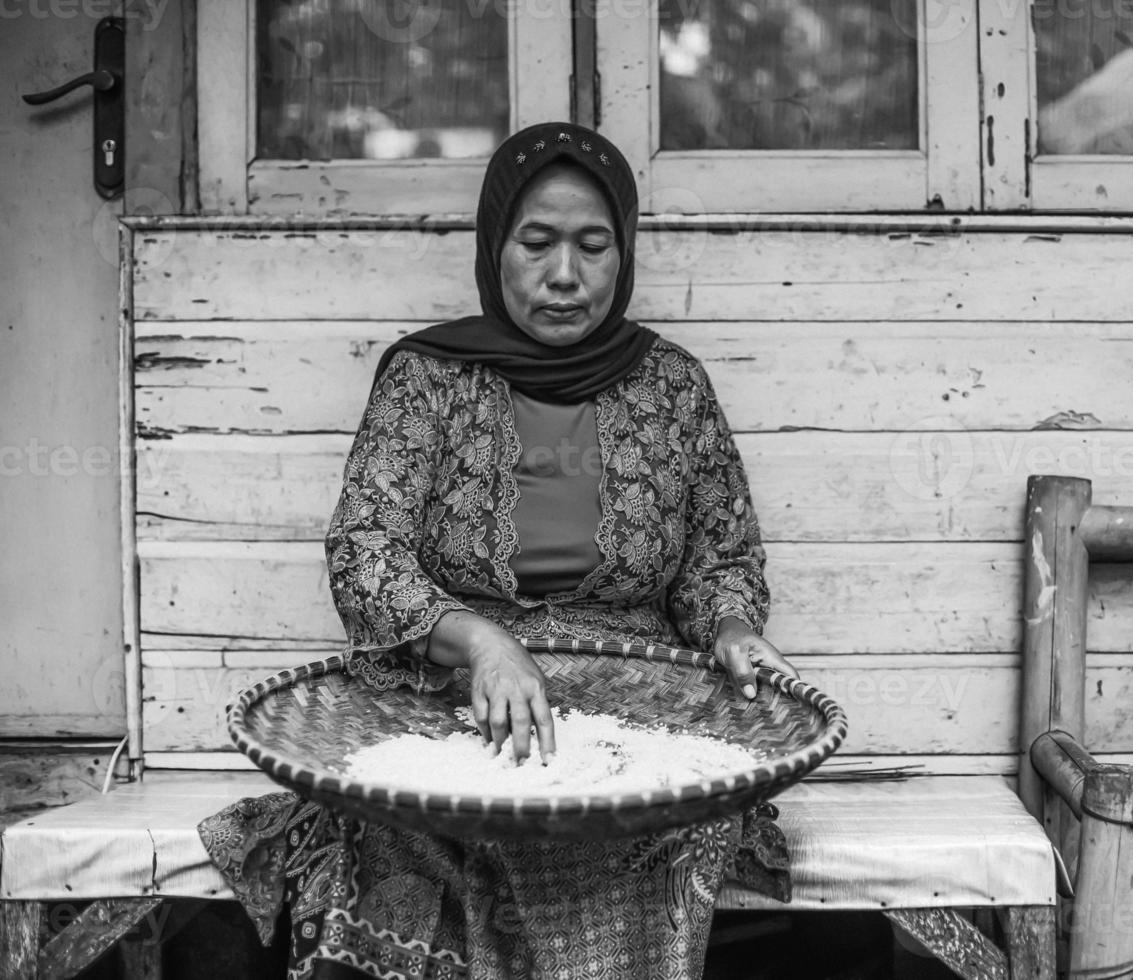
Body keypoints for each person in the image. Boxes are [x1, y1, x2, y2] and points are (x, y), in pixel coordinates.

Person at [199, 121, 796, 980]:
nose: (565, 275)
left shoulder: (672, 387)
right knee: (404, 820)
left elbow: (720, 558)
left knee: (637, 823)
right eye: (537, 243)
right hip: (447, 700)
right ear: (494, 247)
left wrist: (734, 627)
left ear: (623, 252)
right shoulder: (429, 378)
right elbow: (365, 550)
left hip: (634, 706)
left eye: (593, 246)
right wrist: (480, 641)